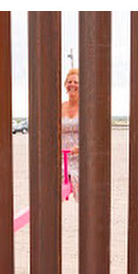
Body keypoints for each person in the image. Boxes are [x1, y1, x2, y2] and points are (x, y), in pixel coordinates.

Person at [61, 67, 80, 200]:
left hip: (80, 156)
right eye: (69, 82)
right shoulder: (60, 107)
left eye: (76, 82)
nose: (72, 85)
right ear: (65, 85)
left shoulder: (86, 107)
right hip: (63, 155)